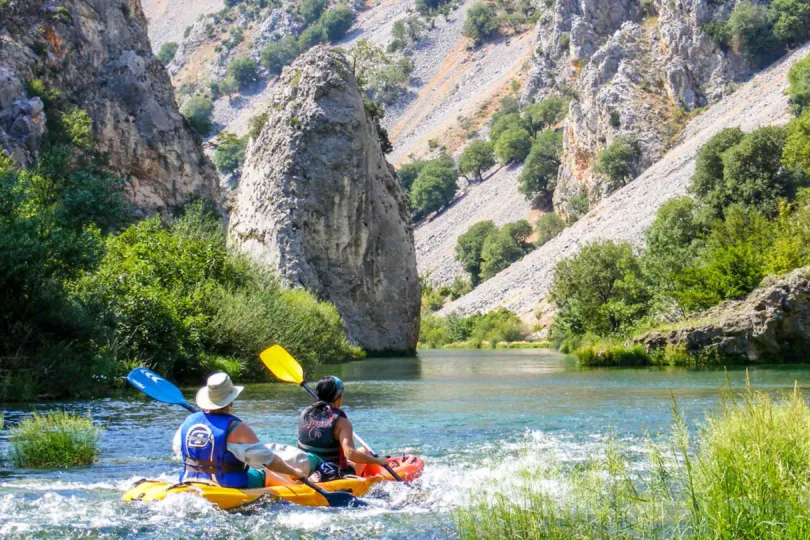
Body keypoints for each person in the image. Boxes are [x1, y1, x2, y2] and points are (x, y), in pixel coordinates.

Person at [173, 372, 306, 489]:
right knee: (265, 473)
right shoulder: (237, 428)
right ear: (231, 401)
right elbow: (269, 461)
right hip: (225, 485)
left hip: (188, 481)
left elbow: (179, 449)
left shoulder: (188, 421)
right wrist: (295, 472)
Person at [297, 376, 389, 481]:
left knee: (360, 452)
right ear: (339, 396)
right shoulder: (342, 423)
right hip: (332, 474)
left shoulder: (304, 414)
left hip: (306, 468)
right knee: (365, 451)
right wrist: (378, 461)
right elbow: (350, 454)